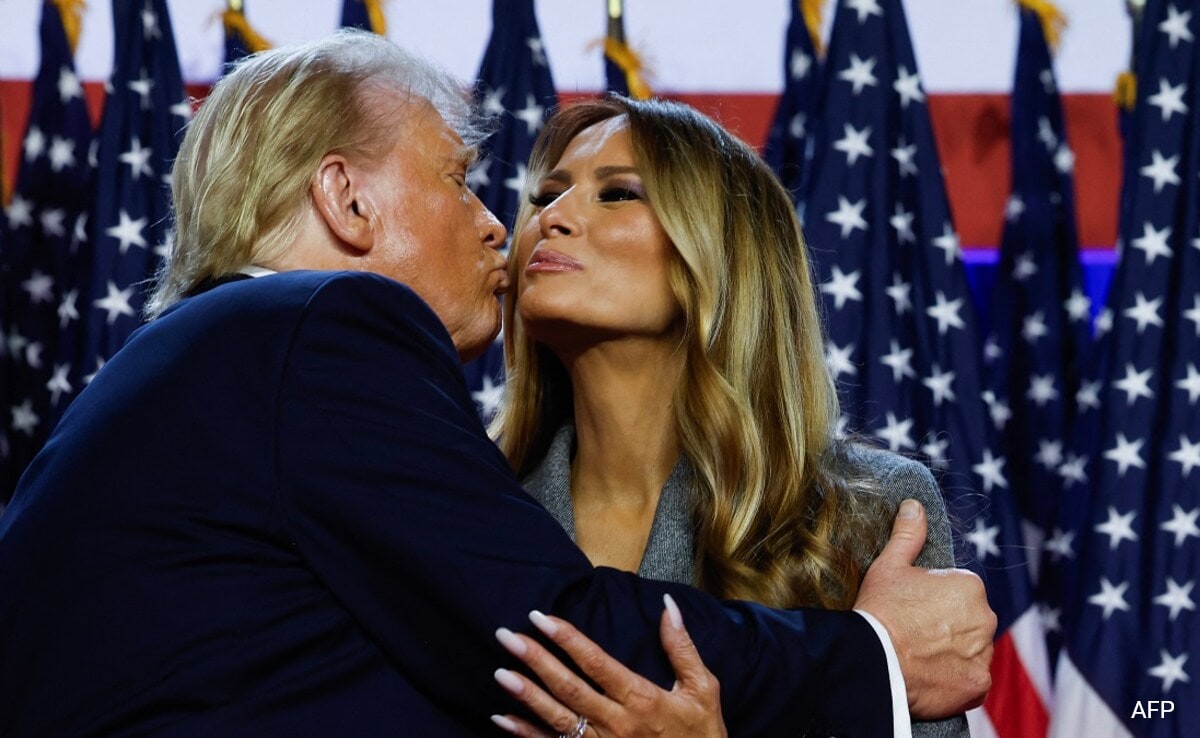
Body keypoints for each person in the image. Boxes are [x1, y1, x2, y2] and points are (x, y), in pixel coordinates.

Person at [0, 31, 993, 737]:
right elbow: (562, 623)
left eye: (615, 194)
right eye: (464, 179)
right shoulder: (322, 328)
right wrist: (868, 658)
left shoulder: (864, 512)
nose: (509, 224)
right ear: (345, 199)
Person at [488, 97, 972, 737]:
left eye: (618, 194)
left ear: (720, 254)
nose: (551, 218)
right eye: (547, 194)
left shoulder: (866, 512)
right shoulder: (474, 508)